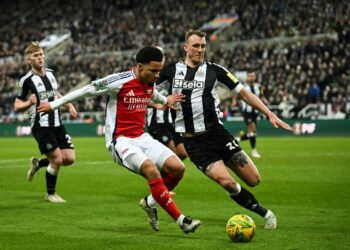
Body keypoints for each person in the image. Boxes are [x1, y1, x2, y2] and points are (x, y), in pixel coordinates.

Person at [38, 46, 201, 234]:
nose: (157, 75)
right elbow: (86, 90)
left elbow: (152, 94)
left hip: (142, 137)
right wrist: (54, 104)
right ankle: (182, 221)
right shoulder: (119, 81)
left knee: (178, 168)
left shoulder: (149, 81)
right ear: (140, 66)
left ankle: (149, 203)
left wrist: (166, 101)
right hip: (120, 141)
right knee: (151, 170)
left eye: (159, 70)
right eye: (154, 70)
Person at [155, 30, 293, 230]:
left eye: (203, 46)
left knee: (254, 180)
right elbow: (147, 94)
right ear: (186, 47)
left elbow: (244, 93)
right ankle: (266, 214)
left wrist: (269, 113)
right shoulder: (170, 71)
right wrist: (162, 101)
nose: (200, 50)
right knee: (227, 182)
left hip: (218, 135)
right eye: (195, 46)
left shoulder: (215, 71)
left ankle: (150, 201)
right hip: (194, 143)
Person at [14, 41, 77, 203]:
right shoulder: (26, 81)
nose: (40, 58)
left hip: (57, 122)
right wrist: (28, 103)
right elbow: (17, 105)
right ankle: (50, 194)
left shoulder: (50, 74)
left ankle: (38, 163)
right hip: (41, 126)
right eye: (36, 56)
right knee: (57, 160)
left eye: (41, 54)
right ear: (29, 60)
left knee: (69, 158)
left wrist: (68, 104)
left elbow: (55, 93)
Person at [231, 71, 269, 158]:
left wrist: (265, 100)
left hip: (255, 112)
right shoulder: (242, 86)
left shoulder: (258, 86)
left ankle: (238, 139)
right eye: (250, 76)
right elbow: (236, 94)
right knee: (252, 127)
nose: (251, 78)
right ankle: (254, 151)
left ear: (255, 77)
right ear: (247, 77)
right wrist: (234, 100)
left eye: (253, 76)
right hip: (246, 111)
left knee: (252, 132)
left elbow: (262, 95)